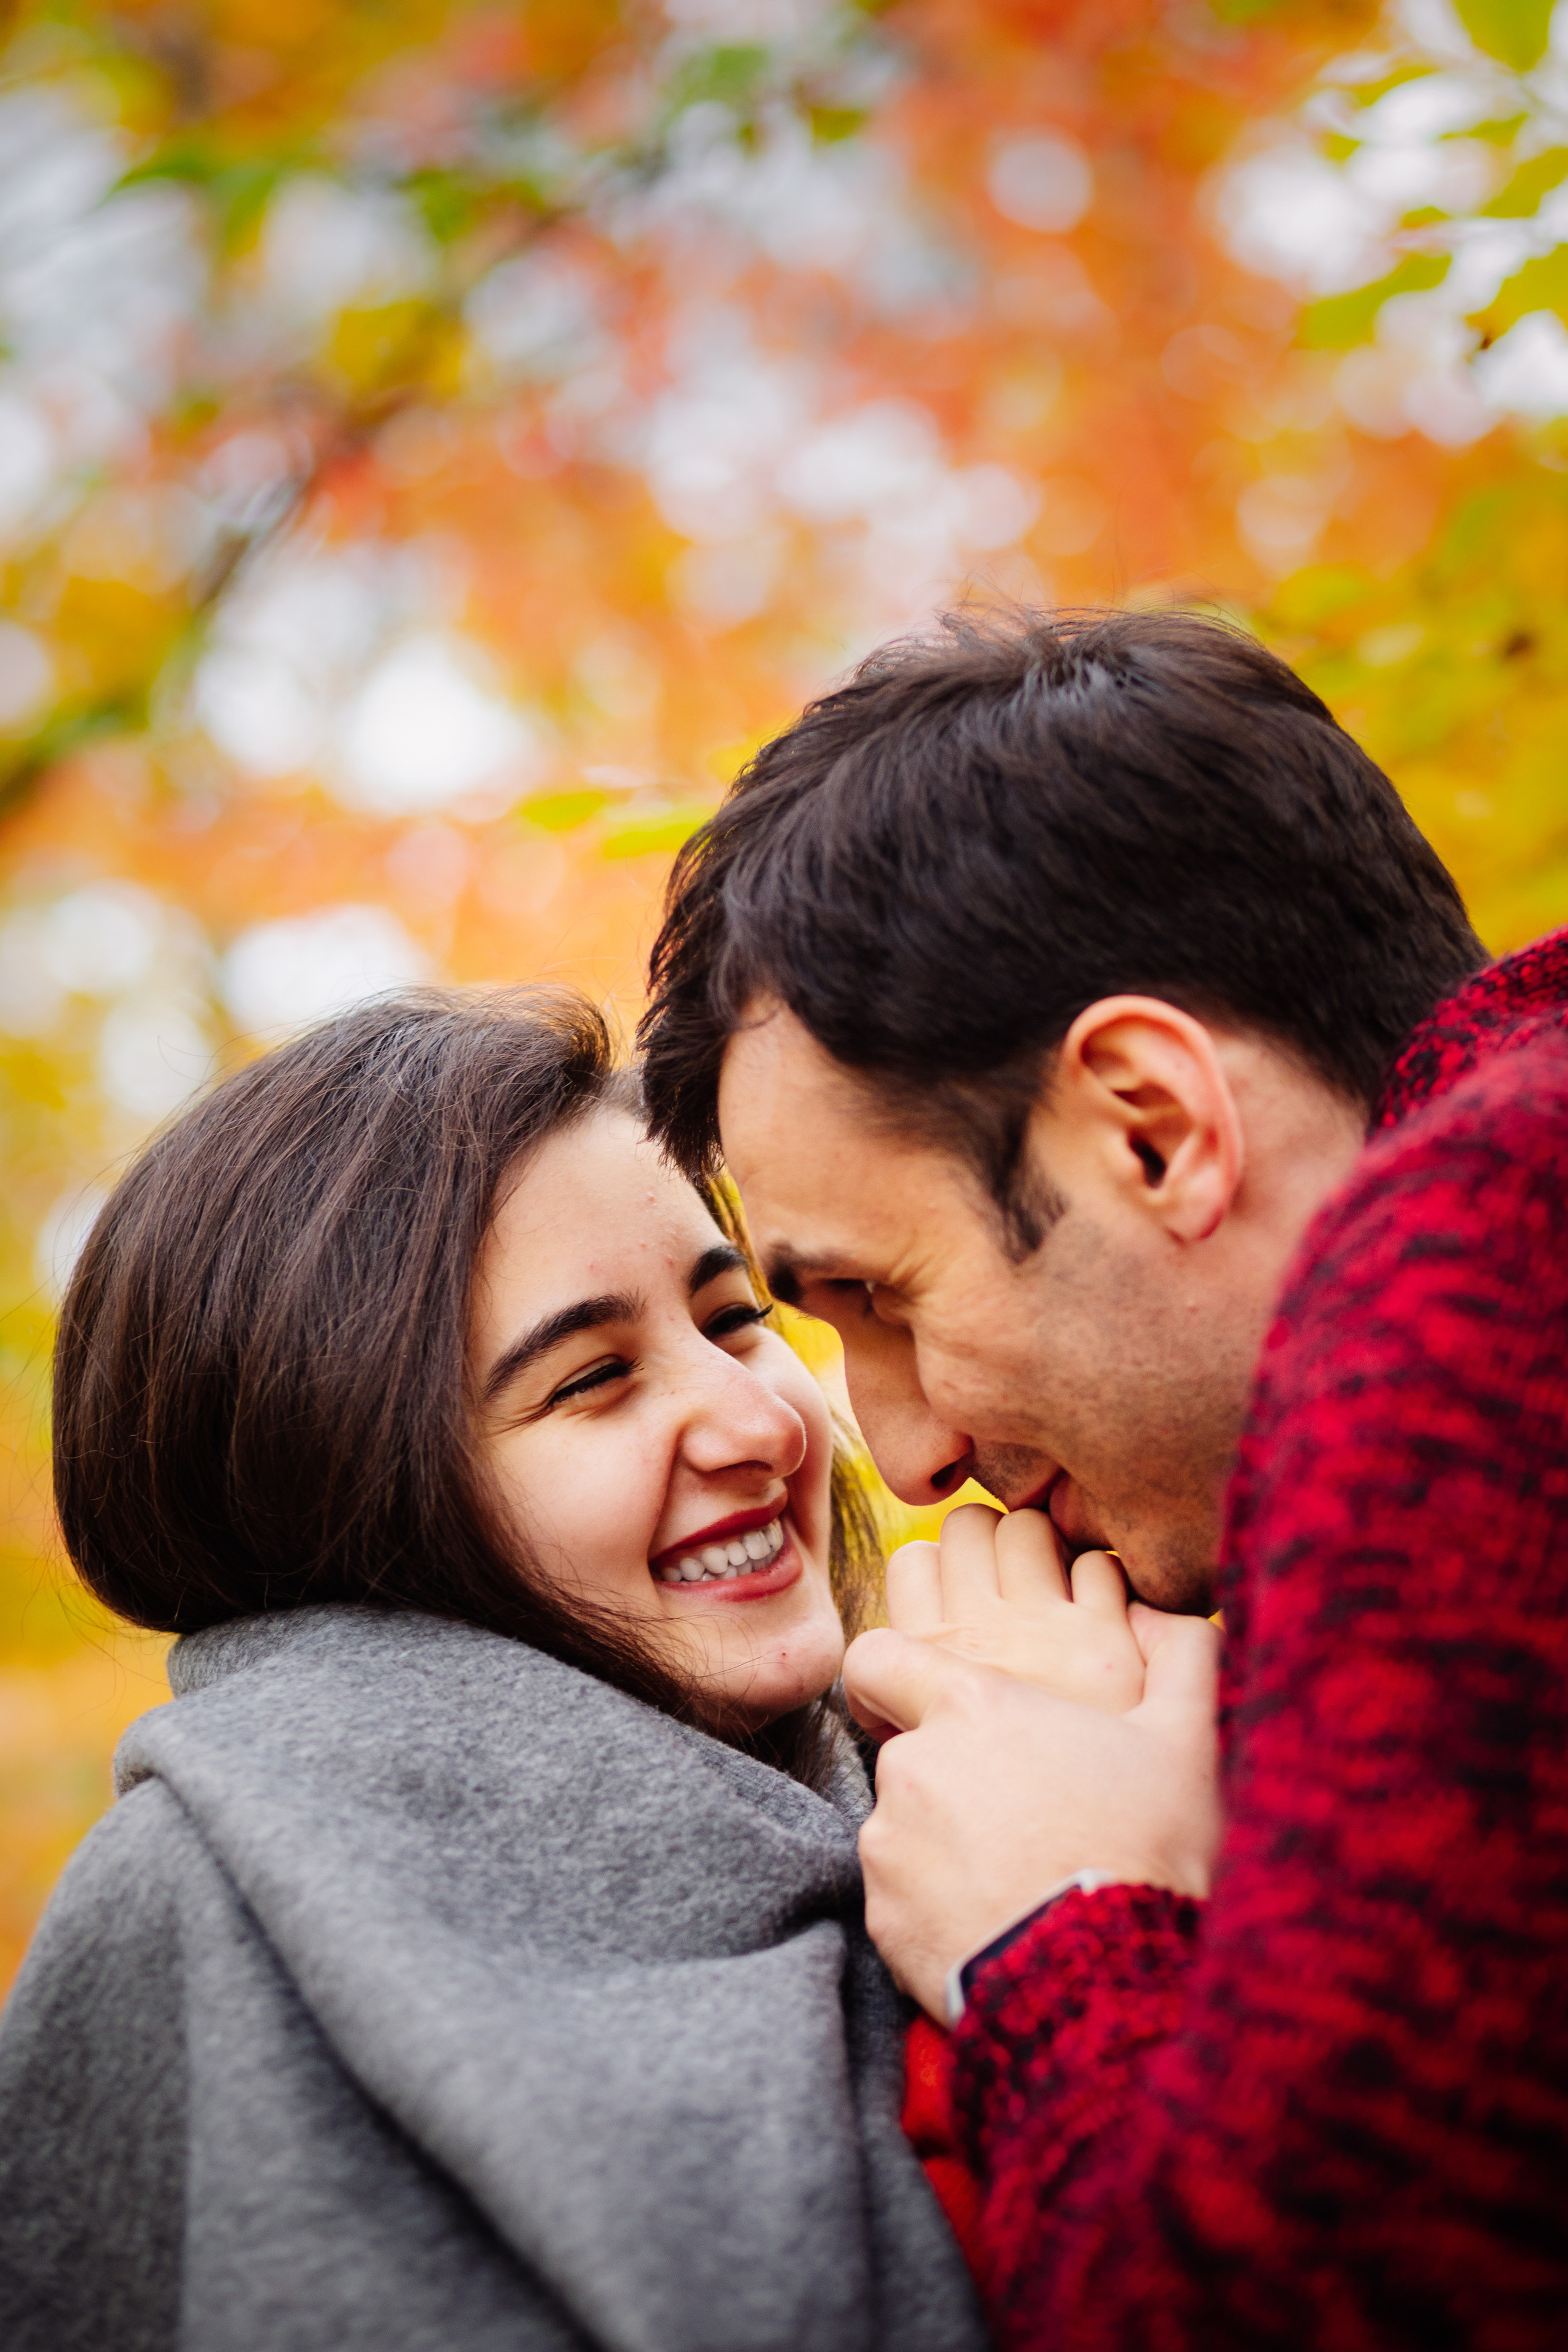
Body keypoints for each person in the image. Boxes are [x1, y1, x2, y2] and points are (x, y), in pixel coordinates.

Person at [636, 605, 1568, 2348]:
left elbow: (1298, 2311)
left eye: (881, 1297)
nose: (900, 1452)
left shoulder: (1464, 1269)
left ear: (1153, 1123)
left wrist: (1051, 1921)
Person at [0, 989, 986, 2352]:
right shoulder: (199, 1910)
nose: (761, 1418)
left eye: (731, 1316)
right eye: (590, 1379)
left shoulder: (978, 1794)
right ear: (360, 1498)